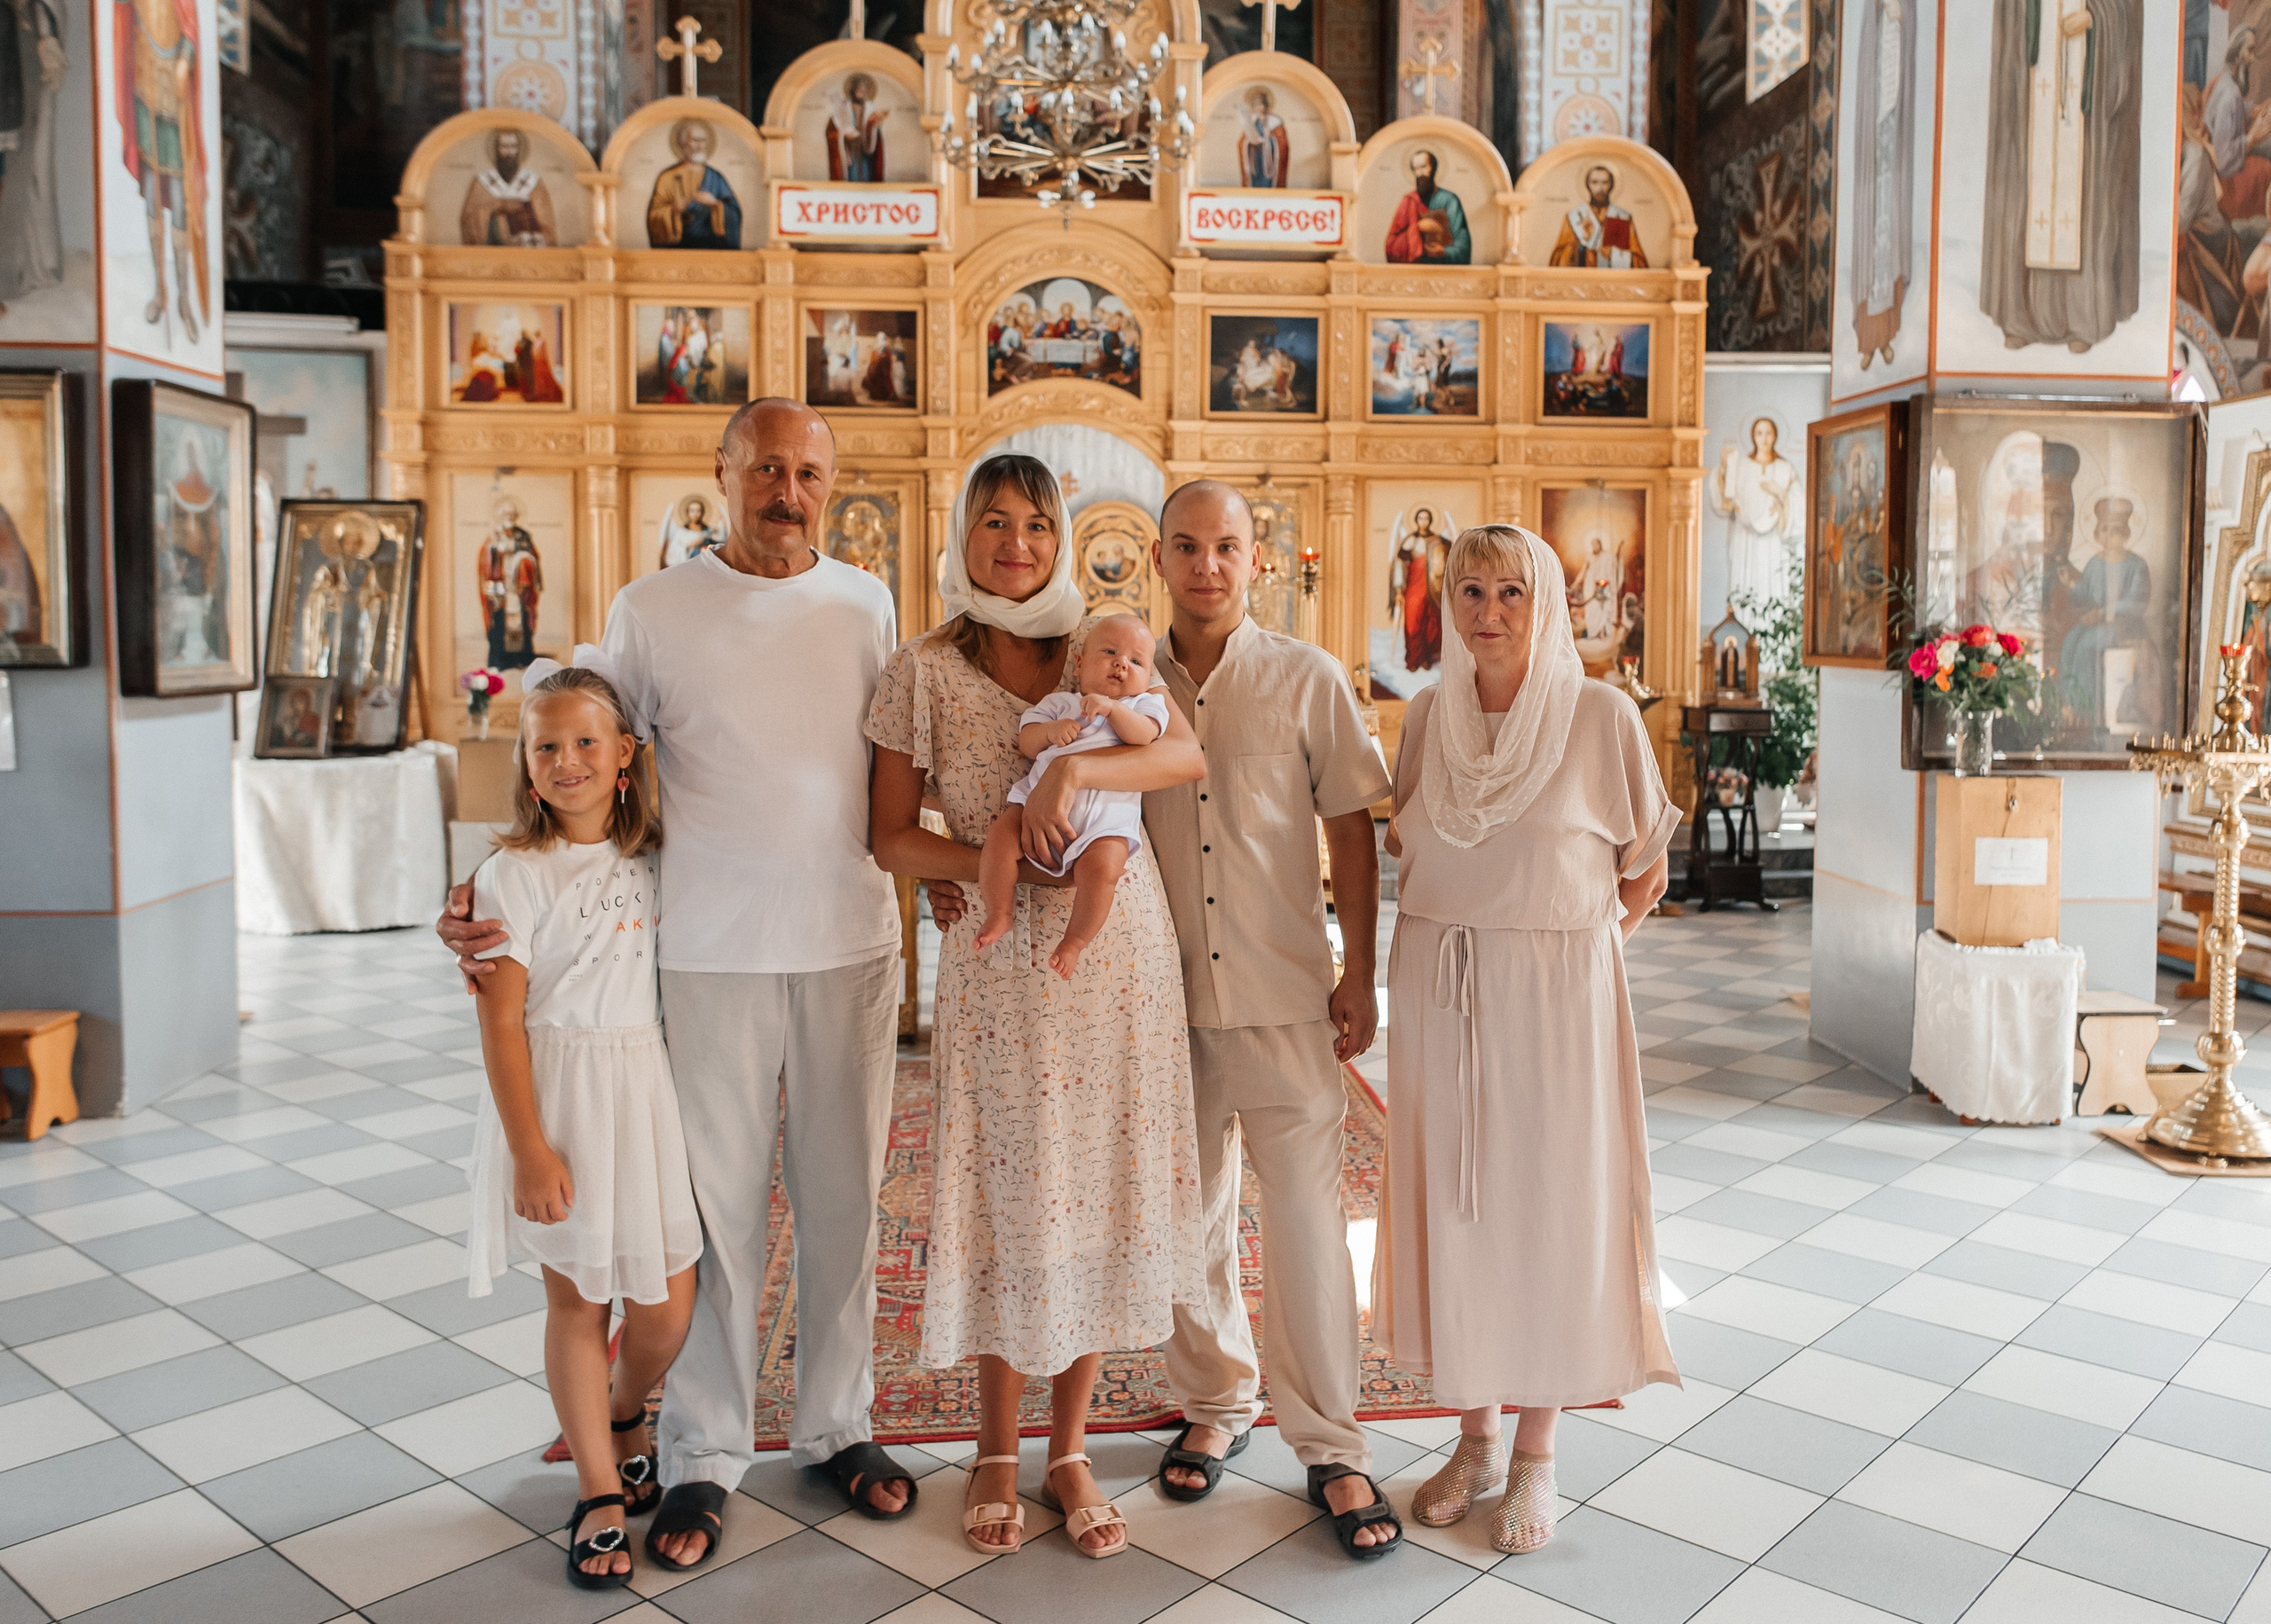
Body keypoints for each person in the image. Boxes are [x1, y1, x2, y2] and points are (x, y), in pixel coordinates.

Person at [440, 399, 915, 1571]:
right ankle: (705, 1449)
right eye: (765, 468)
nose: (786, 490)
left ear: (830, 483)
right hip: (705, 952)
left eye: (808, 473)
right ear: (724, 473)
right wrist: (488, 876)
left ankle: (839, 1421)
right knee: (717, 1214)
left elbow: (889, 767)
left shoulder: (867, 602)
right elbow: (575, 746)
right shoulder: (651, 609)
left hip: (850, 938)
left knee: (845, 1199)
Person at [927, 479, 1406, 1559]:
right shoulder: (1111, 672)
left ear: (1258, 556)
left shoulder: (1305, 678)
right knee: (1180, 1222)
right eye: (1185, 547)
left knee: (1304, 1226)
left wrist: (1358, 973)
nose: (1206, 567)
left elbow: (1352, 835)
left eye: (1225, 547)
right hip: (1158, 1002)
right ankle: (1215, 1401)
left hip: (1284, 992)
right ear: (1156, 556)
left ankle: (1332, 1444)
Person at [867, 453, 1207, 1560]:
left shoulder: (1099, 647)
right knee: (1009, 1196)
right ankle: (996, 1447)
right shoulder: (920, 665)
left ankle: (1068, 1451)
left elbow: (1184, 750)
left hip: (1115, 957)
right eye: (994, 521)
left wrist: (1066, 776)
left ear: (1064, 537)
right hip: (1000, 955)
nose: (1016, 542)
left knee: (1094, 1190)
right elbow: (886, 835)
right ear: (963, 533)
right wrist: (988, 850)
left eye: (1037, 523)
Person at [1379, 524, 1678, 1556]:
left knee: (1548, 1209)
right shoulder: (1426, 716)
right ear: (1448, 601)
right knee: (1462, 1210)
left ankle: (1539, 1451)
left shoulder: (1599, 715)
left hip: (1554, 997)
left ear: (1545, 600)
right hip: (1439, 988)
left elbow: (1646, 864)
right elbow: (1406, 845)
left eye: (1511, 590)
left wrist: (1586, 954)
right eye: (1470, 590)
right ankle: (1473, 1435)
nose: (1489, 611)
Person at [464, 659, 703, 1591]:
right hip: (558, 1096)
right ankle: (601, 1493)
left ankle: (621, 1408)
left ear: (625, 757)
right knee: (579, 1301)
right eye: (547, 746)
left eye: (585, 743)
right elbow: (500, 1019)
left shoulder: (656, 853)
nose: (567, 761)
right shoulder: (508, 875)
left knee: (663, 1308)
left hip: (643, 1088)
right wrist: (529, 1145)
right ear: (527, 768)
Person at [975, 611, 1168, 979]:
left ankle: (1075, 940)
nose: (1120, 664)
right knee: (1000, 837)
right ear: (1079, 665)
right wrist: (1050, 732)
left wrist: (1112, 709)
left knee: (1104, 871)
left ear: (1148, 676)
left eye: (1136, 661)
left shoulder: (1141, 706)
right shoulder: (1059, 703)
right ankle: (999, 910)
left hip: (1104, 823)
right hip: (1035, 803)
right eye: (1109, 652)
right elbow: (1026, 742)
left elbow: (1144, 736)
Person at [646, 120, 743, 249]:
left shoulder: (715, 177)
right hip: (677, 249)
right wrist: (673, 209)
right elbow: (653, 217)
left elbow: (734, 213)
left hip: (710, 249)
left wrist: (714, 204)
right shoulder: (667, 178)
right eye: (695, 140)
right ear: (683, 143)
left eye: (703, 141)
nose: (700, 145)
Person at [460, 128, 557, 247]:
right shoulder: (481, 183)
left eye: (513, 146)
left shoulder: (534, 182)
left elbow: (547, 224)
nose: (509, 152)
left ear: (519, 150)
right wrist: (499, 205)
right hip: (492, 253)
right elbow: (469, 219)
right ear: (496, 149)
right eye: (504, 146)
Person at [1548, 164, 1647, 269]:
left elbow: (1639, 262)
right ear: (1587, 185)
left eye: (1605, 182)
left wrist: (1614, 255)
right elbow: (1559, 260)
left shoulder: (1623, 217)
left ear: (1611, 185)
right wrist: (1582, 243)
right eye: (1594, 182)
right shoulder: (1574, 216)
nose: (1600, 188)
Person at [1385, 150, 1472, 264]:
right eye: (1415, 169)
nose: (1419, 173)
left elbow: (1463, 248)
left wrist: (1444, 251)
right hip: (1414, 272)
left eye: (1424, 167)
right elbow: (1391, 246)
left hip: (1445, 271)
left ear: (1433, 168)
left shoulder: (1450, 200)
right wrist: (1419, 227)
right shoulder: (1408, 201)